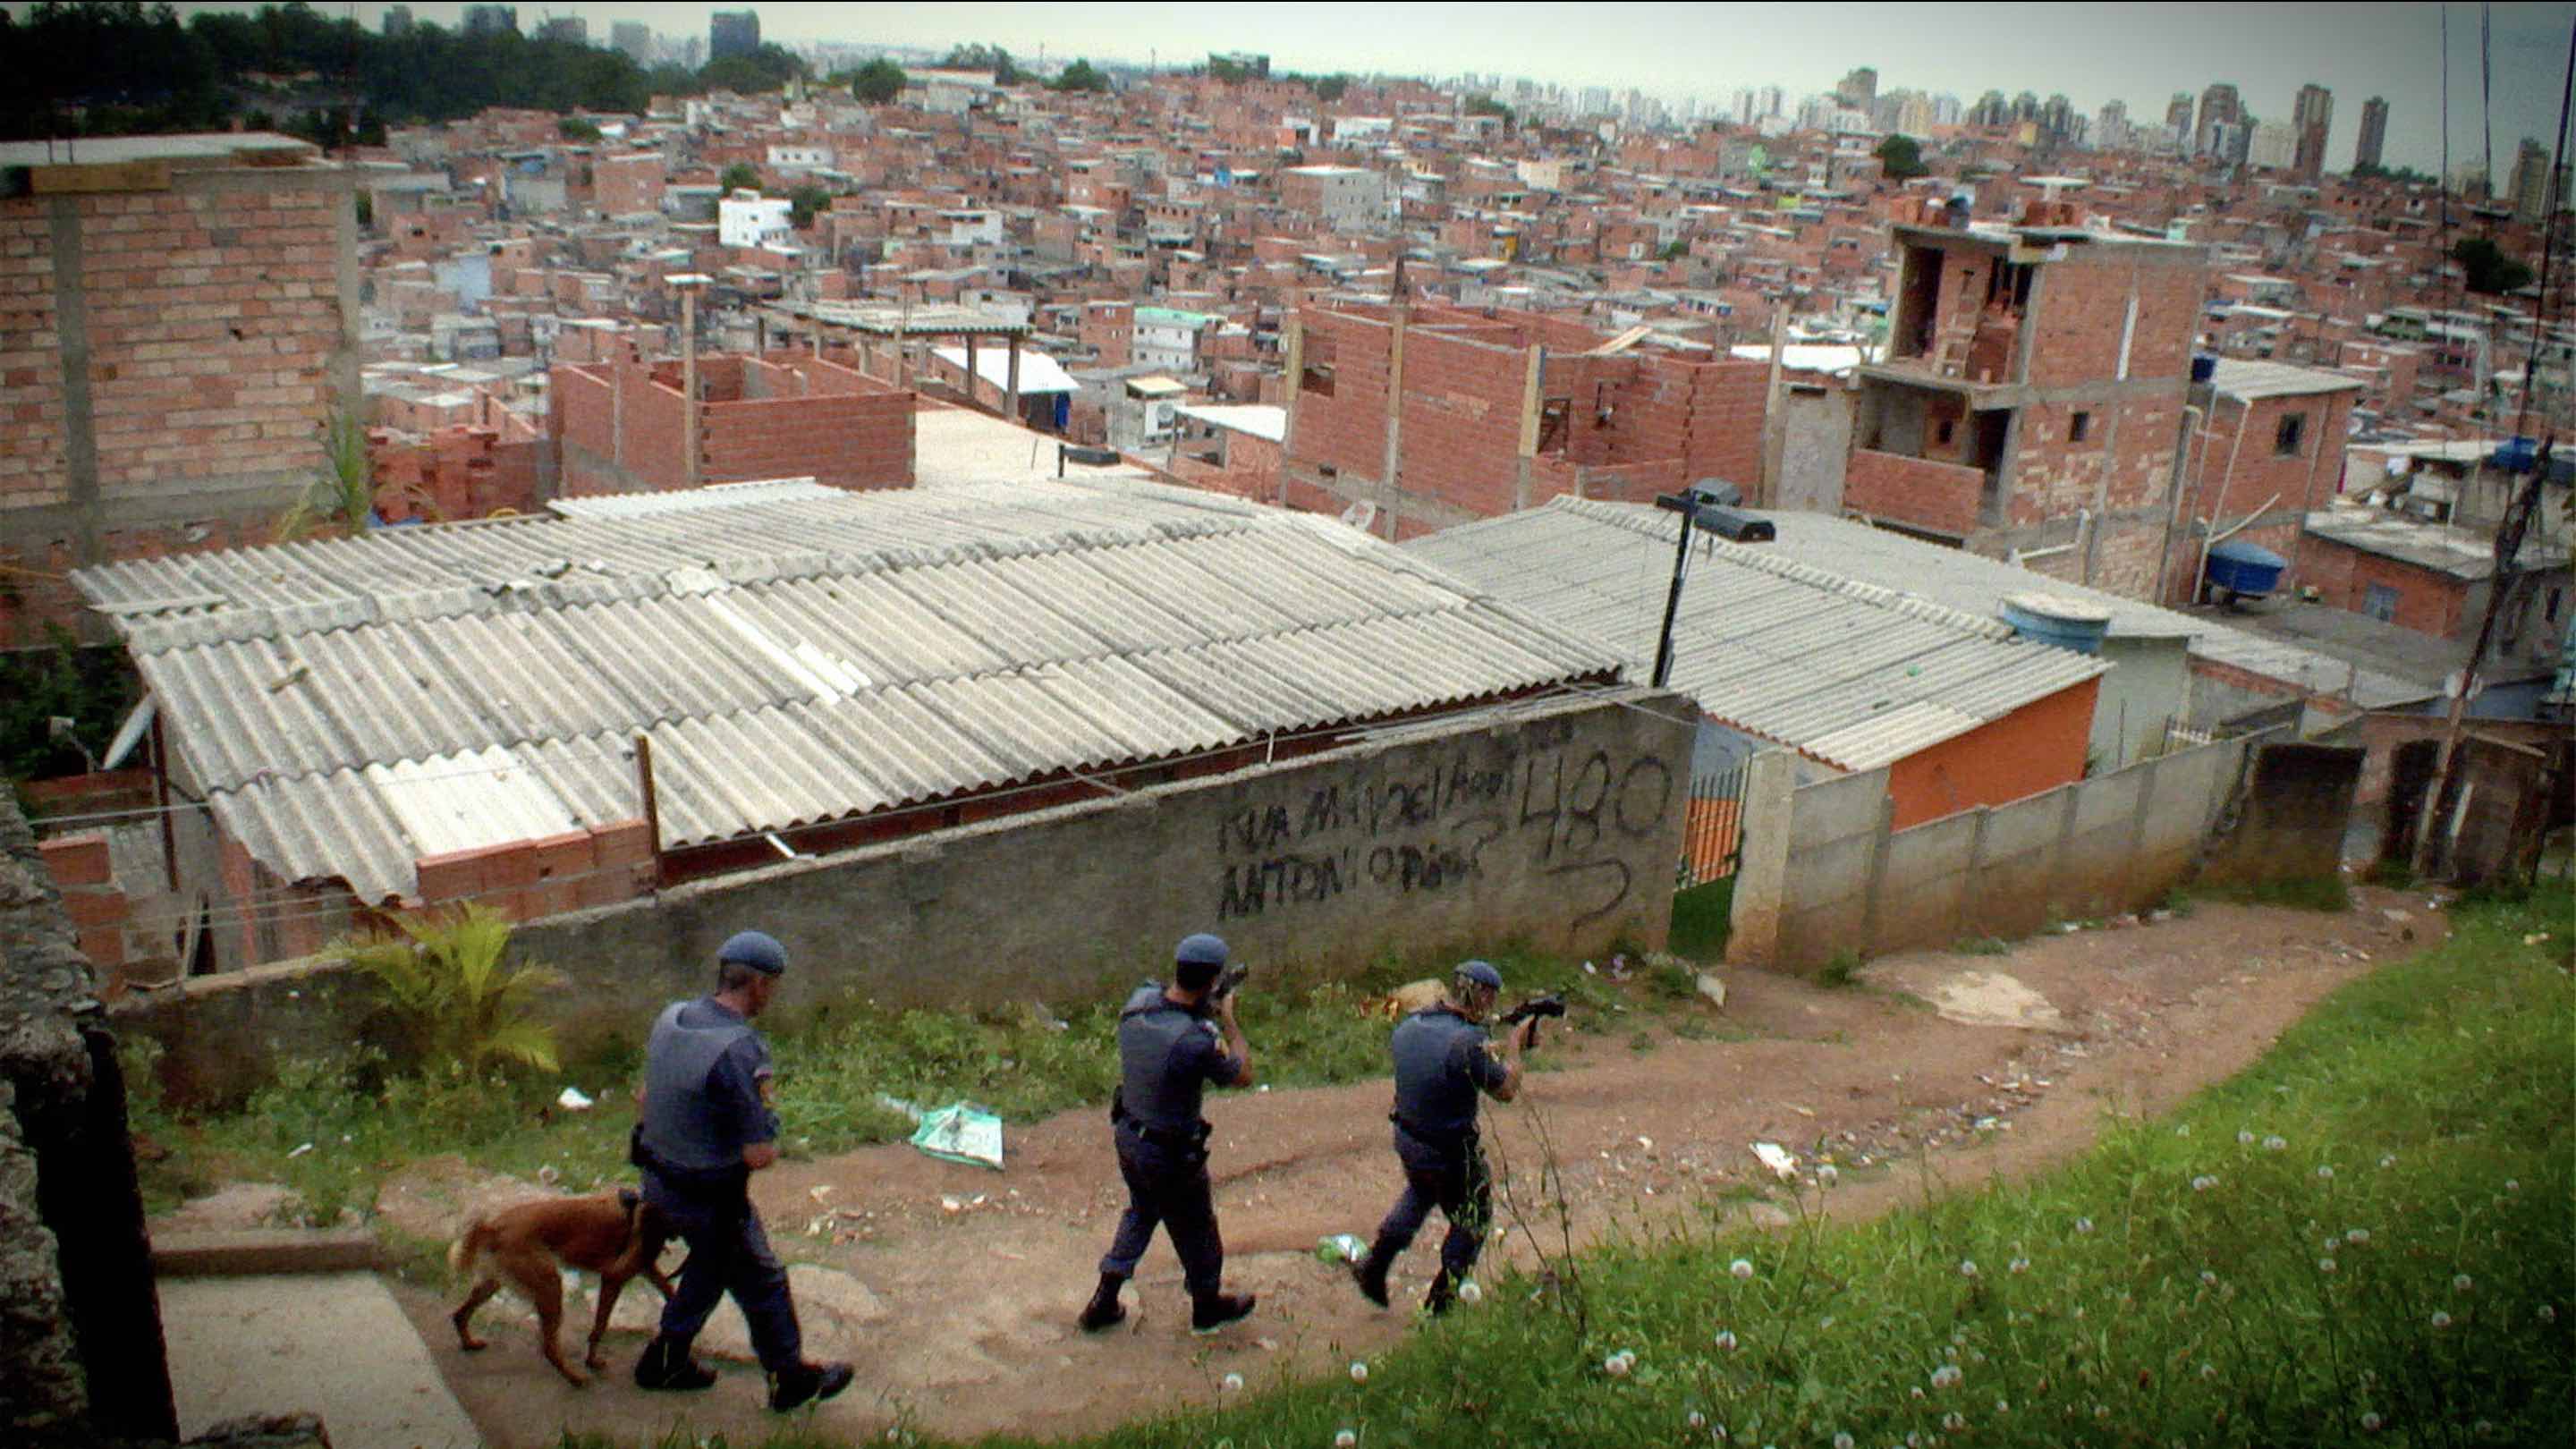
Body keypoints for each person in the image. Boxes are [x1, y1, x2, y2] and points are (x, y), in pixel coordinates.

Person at [630, 930, 854, 1412]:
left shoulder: (670, 1019)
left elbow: (645, 1100)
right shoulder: (739, 1049)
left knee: (712, 1266)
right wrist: (765, 1130)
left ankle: (663, 1359)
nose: (770, 995)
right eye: (772, 985)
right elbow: (758, 1154)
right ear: (757, 985)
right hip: (709, 1198)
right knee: (762, 1278)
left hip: (657, 1180)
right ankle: (788, 1378)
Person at [1077, 932, 1259, 1335]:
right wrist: (1227, 1019)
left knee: (1142, 1212)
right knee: (1197, 1229)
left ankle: (1104, 1299)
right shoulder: (1195, 1040)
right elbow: (1242, 1074)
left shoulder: (1139, 1001)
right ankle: (1207, 1308)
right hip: (1171, 1154)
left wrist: (1200, 1009)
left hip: (1129, 1134)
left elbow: (1168, 1013)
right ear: (1212, 983)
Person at [1349, 959, 1534, 1316]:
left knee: (1420, 1193)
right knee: (1473, 1219)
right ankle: (1441, 1305)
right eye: (1489, 996)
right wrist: (1515, 1047)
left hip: (1408, 1139)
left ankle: (1374, 1267)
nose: (1491, 1004)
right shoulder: (1467, 1042)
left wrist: (1487, 1051)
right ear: (1479, 993)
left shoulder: (1412, 1025)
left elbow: (1444, 1064)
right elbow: (1506, 1089)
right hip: (1450, 1152)